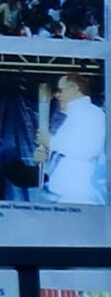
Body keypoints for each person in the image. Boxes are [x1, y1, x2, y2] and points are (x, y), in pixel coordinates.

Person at [43, 70, 105, 204]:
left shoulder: (93, 114)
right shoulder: (71, 115)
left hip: (78, 193)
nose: (58, 95)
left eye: (60, 90)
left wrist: (51, 142)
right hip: (61, 192)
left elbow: (90, 150)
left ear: (75, 88)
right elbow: (63, 149)